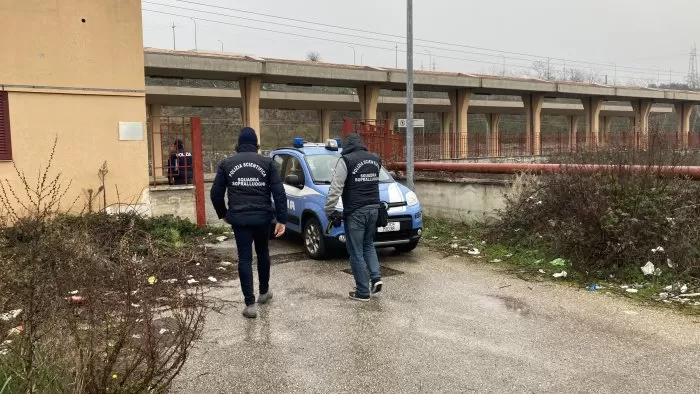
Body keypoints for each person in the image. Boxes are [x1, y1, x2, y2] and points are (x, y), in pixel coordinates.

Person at [210, 127, 287, 318]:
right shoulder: (267, 162)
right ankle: (264, 292)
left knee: (245, 258)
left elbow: (215, 194)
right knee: (263, 253)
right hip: (262, 218)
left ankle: (250, 304)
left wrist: (224, 214)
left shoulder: (226, 163)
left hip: (240, 219)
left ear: (238, 144)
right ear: (256, 144)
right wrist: (282, 219)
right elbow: (279, 193)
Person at [324, 133, 383, 301]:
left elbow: (336, 187)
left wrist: (329, 210)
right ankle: (376, 278)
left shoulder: (346, 160)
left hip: (356, 211)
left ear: (346, 146)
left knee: (356, 251)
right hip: (374, 208)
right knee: (368, 244)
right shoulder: (375, 159)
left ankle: (363, 292)